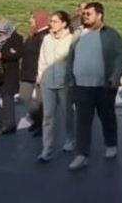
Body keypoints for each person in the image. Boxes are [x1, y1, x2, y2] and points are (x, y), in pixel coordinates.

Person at [65, 2, 122, 171]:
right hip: (81, 86)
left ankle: (111, 143)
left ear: (99, 15)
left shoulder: (110, 34)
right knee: (83, 121)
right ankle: (81, 155)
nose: (84, 16)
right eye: (83, 13)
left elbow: (119, 57)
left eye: (88, 13)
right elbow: (70, 57)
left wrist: (115, 76)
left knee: (107, 116)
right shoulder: (78, 34)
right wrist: (69, 77)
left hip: (104, 85)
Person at [36, 10, 76, 161]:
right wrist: (40, 75)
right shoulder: (46, 39)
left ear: (64, 23)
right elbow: (42, 59)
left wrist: (72, 80)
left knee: (67, 113)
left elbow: (73, 61)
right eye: (51, 21)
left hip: (64, 83)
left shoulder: (72, 40)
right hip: (47, 82)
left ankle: (70, 139)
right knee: (48, 116)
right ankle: (47, 149)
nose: (51, 24)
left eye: (55, 21)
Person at [20, 11, 48, 135]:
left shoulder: (44, 36)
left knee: (41, 102)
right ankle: (37, 120)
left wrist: (40, 72)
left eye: (32, 18)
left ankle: (42, 125)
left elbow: (45, 56)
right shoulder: (33, 34)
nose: (30, 20)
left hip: (38, 73)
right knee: (24, 96)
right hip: (27, 72)